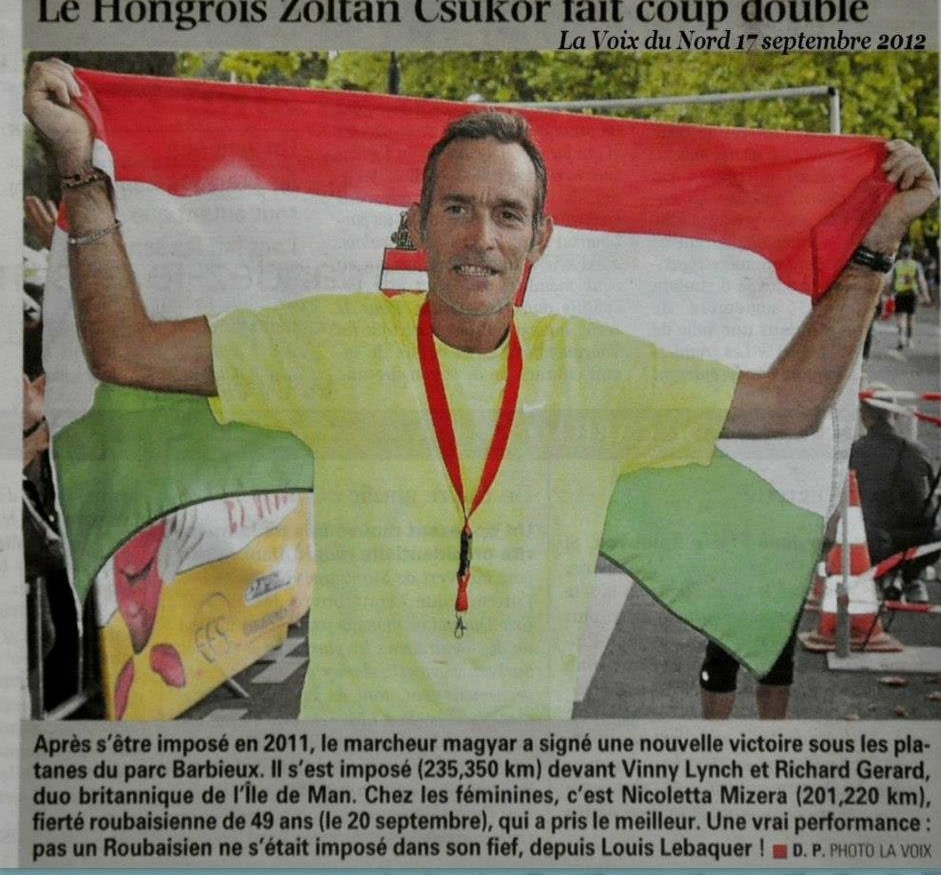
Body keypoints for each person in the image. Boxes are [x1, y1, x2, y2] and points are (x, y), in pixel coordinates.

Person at [24, 58, 939, 718]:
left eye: (507, 214)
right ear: (417, 224)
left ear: (540, 239)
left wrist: (876, 246)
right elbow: (127, 352)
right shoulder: (331, 342)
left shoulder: (596, 368)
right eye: (456, 208)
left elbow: (789, 402)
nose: (481, 237)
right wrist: (80, 171)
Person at [850, 398, 940, 603]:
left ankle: (885, 575)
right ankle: (911, 577)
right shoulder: (919, 451)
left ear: (864, 417)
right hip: (920, 545)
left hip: (874, 542)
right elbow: (930, 498)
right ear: (897, 415)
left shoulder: (855, 451)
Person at [888, 243, 932, 350]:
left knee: (900, 317)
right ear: (911, 254)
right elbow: (921, 281)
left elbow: (891, 281)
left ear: (901, 254)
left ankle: (901, 338)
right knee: (911, 318)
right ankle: (909, 339)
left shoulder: (897, 265)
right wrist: (926, 295)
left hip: (900, 294)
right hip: (912, 294)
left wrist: (890, 293)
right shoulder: (916, 265)